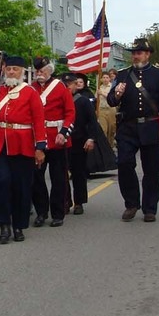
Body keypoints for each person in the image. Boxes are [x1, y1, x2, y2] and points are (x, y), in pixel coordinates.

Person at [105, 38, 159, 222]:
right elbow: (111, 100)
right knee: (124, 164)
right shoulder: (122, 74)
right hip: (128, 127)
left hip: (151, 126)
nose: (136, 56)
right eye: (134, 53)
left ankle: (150, 208)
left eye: (139, 52)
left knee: (151, 169)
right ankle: (131, 203)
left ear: (148, 54)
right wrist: (117, 94)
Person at [0, 56, 46, 244]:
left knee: (21, 187)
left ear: (22, 72)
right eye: (9, 69)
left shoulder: (30, 92)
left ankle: (19, 225)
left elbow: (38, 120)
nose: (11, 72)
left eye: (15, 69)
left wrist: (40, 147)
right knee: (3, 182)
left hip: (23, 144)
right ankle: (4, 225)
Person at [30, 57, 76, 228]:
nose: (39, 74)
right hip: (38, 140)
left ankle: (58, 213)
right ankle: (41, 211)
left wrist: (64, 132)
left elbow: (70, 113)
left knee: (58, 178)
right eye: (37, 72)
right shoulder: (31, 88)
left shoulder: (60, 87)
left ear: (49, 71)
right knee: (36, 178)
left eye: (41, 71)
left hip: (57, 138)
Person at [66, 72, 99, 214]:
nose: (68, 88)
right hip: (62, 141)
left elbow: (92, 121)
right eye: (65, 85)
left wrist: (91, 138)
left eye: (70, 85)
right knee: (62, 174)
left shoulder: (83, 101)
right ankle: (65, 201)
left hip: (79, 140)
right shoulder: (59, 100)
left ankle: (79, 202)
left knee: (78, 173)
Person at [96, 70, 118, 150]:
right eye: (104, 77)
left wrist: (102, 93)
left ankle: (111, 146)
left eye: (107, 77)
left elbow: (111, 98)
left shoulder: (112, 87)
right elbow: (97, 100)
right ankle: (104, 148)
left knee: (111, 130)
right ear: (101, 79)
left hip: (111, 109)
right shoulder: (99, 88)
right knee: (103, 129)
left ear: (109, 79)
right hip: (102, 110)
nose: (105, 79)